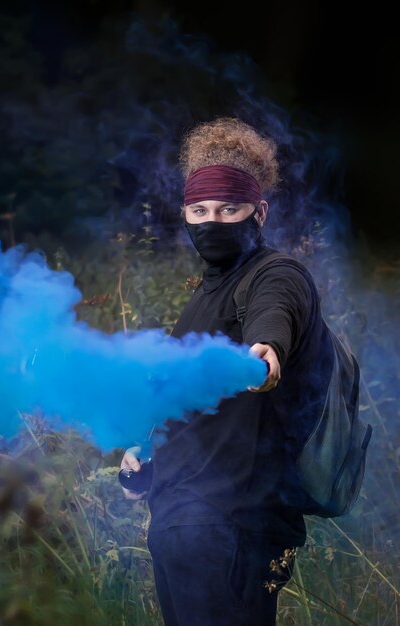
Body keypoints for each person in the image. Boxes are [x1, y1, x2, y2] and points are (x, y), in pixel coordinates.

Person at [120, 117, 334, 626]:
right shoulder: (209, 290)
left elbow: (271, 321)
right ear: (185, 214)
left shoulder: (276, 275)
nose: (212, 221)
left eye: (228, 209)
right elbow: (194, 408)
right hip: (179, 520)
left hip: (232, 525)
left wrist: (265, 354)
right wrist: (147, 457)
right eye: (200, 210)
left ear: (258, 212)